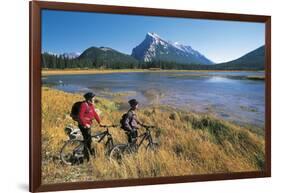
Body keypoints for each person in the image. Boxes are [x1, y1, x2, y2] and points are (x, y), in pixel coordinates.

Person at [78, 92, 102, 159]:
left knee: (88, 140)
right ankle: (86, 156)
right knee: (88, 141)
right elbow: (80, 116)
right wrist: (85, 124)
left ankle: (86, 153)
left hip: (88, 125)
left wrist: (100, 122)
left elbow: (94, 113)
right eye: (93, 98)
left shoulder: (91, 105)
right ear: (89, 99)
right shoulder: (83, 105)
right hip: (83, 125)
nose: (94, 99)